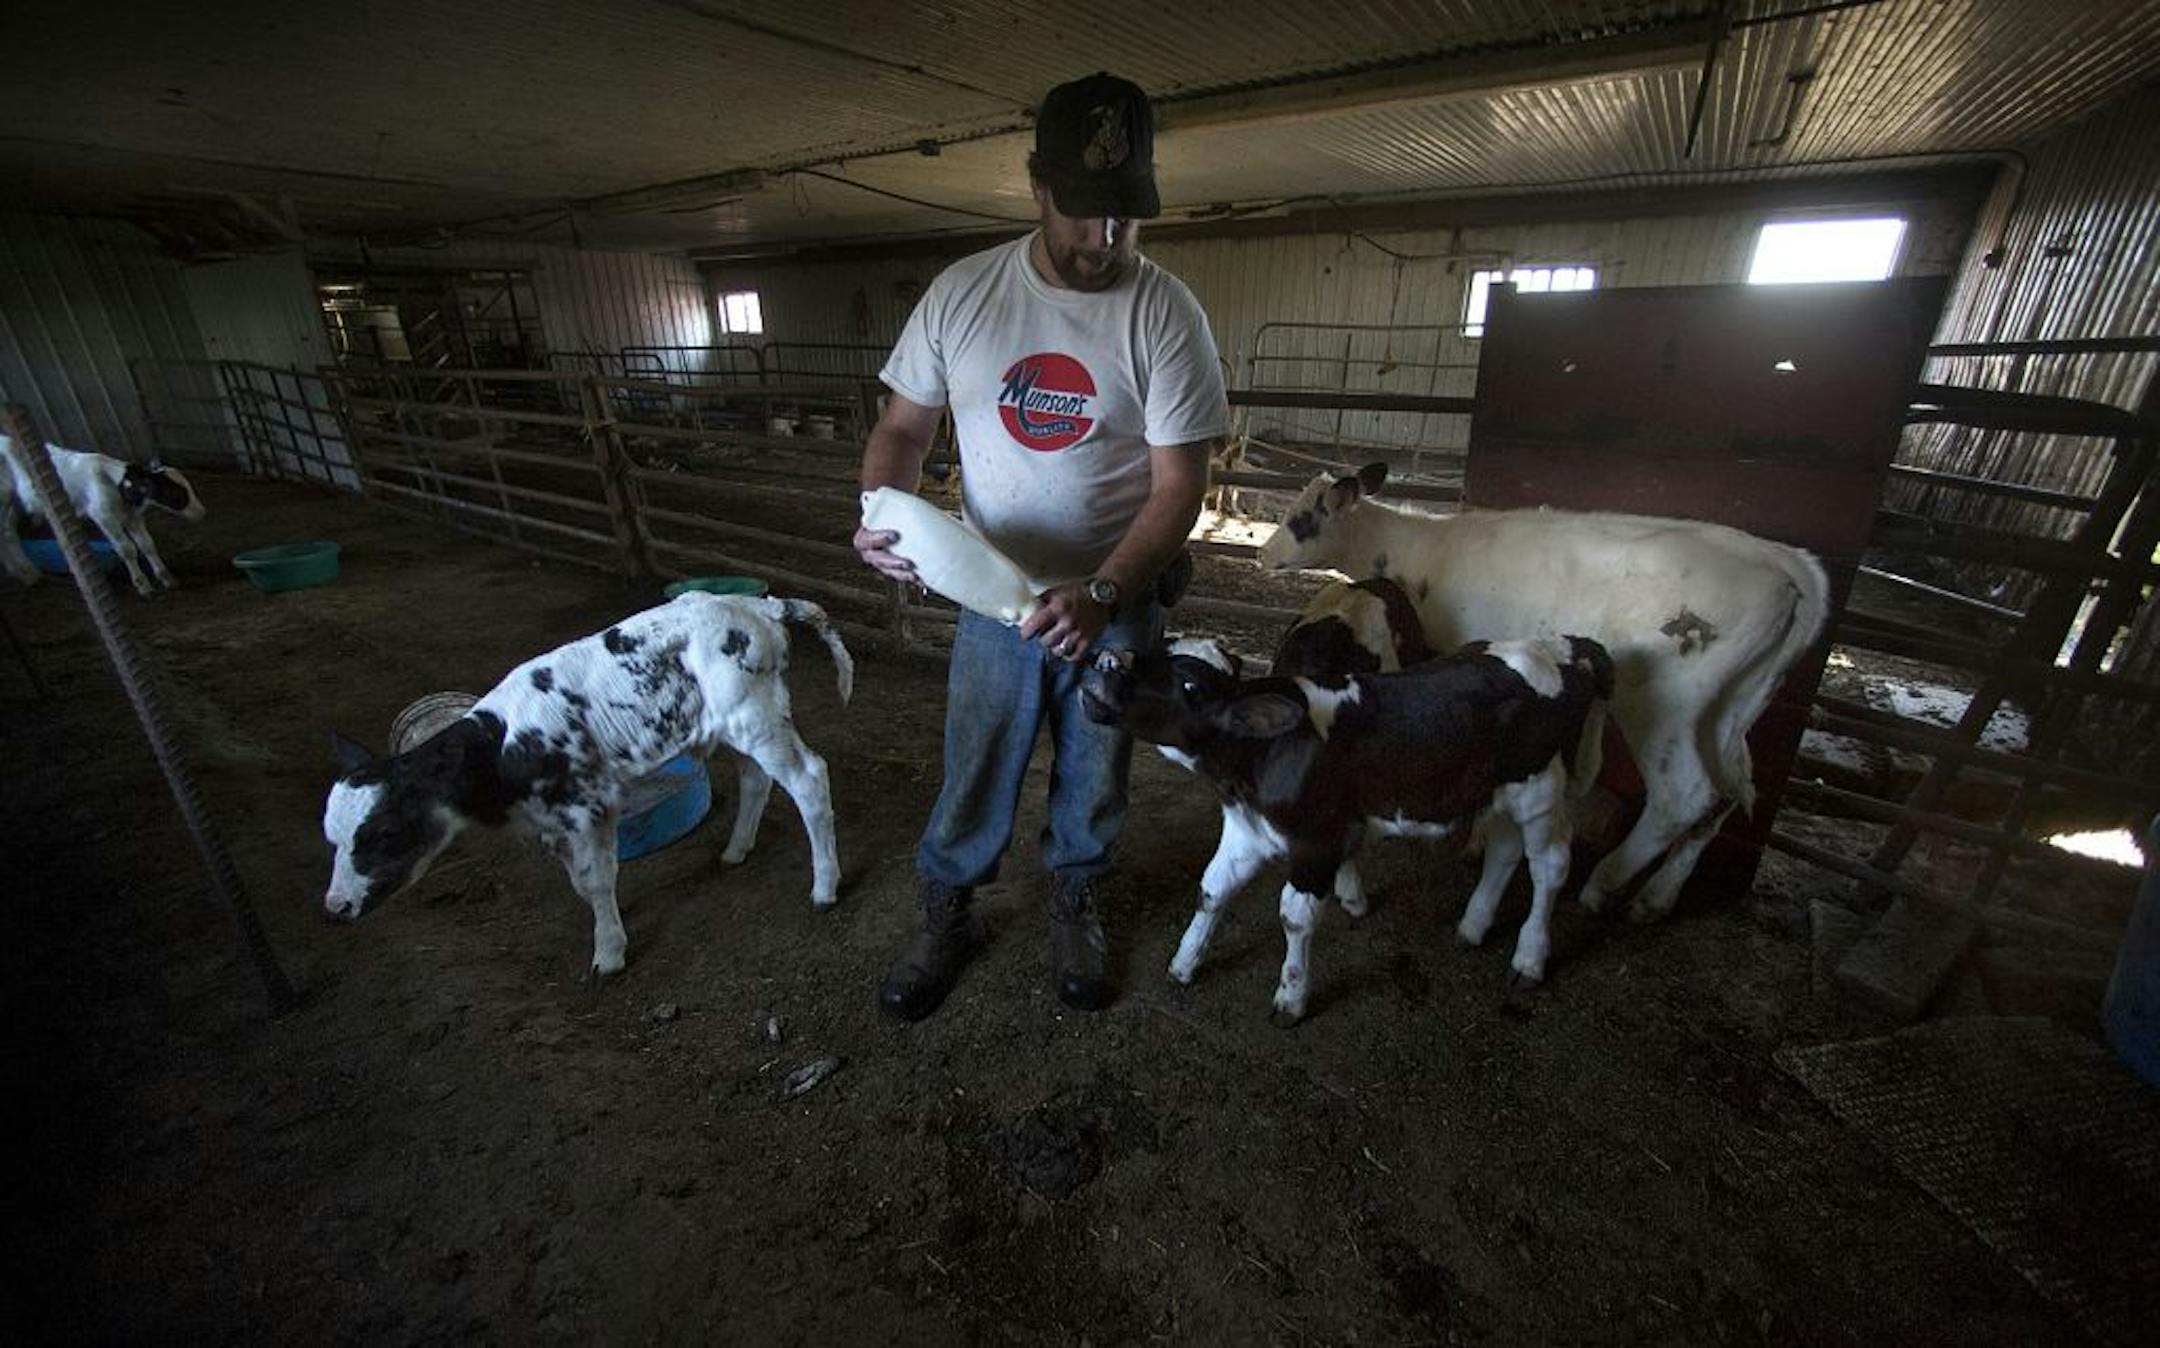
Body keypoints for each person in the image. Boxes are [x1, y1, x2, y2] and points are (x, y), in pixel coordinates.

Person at [853, 71, 1228, 1021]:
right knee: (977, 757)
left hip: (1117, 592)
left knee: (1097, 764)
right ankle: (949, 911)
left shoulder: (1167, 313)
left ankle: (1078, 899)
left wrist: (1103, 593)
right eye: (1086, 211)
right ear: (1037, 186)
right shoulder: (963, 294)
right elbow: (902, 430)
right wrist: (881, 512)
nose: (1105, 239)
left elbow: (1181, 484)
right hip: (994, 590)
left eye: (1127, 217)